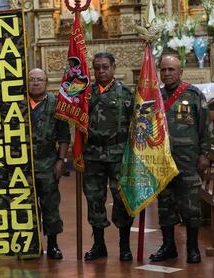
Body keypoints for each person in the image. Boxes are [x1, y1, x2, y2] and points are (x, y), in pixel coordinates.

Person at [149, 55, 211, 264]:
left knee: (190, 206)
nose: (167, 73)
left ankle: (193, 249)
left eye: (171, 69)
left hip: (187, 160)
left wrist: (204, 154)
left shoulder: (193, 95)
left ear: (180, 71)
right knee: (165, 205)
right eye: (164, 70)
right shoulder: (154, 96)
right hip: (163, 161)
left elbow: (204, 128)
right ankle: (168, 247)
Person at [83, 52, 135, 261]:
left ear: (113, 67)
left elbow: (136, 125)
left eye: (105, 67)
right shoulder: (86, 94)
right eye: (97, 68)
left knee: (122, 200)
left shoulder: (126, 94)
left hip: (118, 155)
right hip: (93, 155)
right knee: (95, 200)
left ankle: (124, 245)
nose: (101, 71)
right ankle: (99, 244)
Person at [28, 68, 71, 259]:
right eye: (32, 80)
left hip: (47, 162)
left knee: (50, 206)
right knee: (26, 206)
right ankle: (31, 244)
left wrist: (61, 160)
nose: (35, 83)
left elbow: (64, 136)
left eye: (39, 79)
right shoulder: (17, 103)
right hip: (23, 165)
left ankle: (53, 244)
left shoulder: (56, 104)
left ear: (46, 82)